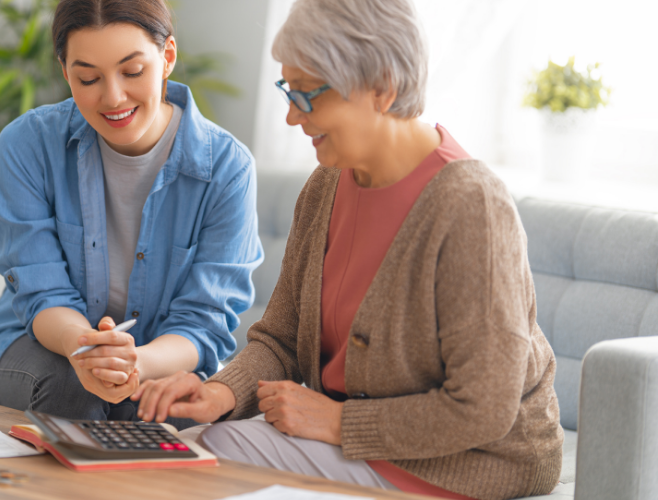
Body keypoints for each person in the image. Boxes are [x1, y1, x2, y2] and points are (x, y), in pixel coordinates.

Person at [132, 0, 563, 498]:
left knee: (197, 465)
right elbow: (281, 341)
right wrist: (220, 391)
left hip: (466, 461)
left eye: (307, 96)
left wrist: (339, 422)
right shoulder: (326, 184)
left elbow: (484, 409)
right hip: (357, 445)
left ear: (383, 88)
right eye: (287, 91)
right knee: (189, 445)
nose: (292, 116)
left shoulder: (470, 204)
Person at [0, 0, 263, 429]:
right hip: (38, 343)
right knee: (72, 390)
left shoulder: (226, 168)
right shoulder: (27, 145)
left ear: (167, 57)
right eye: (88, 78)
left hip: (159, 354)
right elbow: (43, 293)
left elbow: (205, 321)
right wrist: (88, 352)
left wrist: (136, 363)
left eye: (132, 72)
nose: (113, 97)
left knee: (171, 412)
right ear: (65, 72)